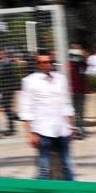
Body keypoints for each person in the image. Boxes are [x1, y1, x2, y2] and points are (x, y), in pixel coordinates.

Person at [16, 49, 76, 180]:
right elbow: (26, 108)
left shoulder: (61, 79)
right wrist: (30, 133)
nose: (45, 65)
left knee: (68, 165)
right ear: (37, 64)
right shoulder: (29, 81)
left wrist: (71, 126)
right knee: (44, 167)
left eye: (48, 62)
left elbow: (66, 103)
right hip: (42, 130)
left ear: (52, 63)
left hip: (62, 128)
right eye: (41, 62)